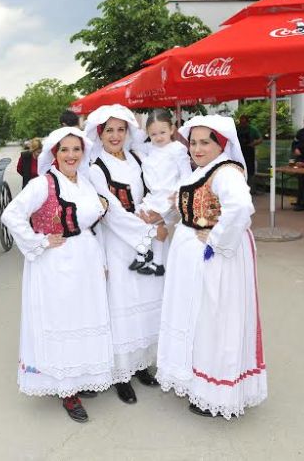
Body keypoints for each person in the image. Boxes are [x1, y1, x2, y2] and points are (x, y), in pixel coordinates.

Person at [0, 127, 114, 423]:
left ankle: (77, 376)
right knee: (62, 320)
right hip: (56, 264)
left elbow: (92, 225)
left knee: (83, 317)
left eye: (76, 149)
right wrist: (40, 241)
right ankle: (66, 389)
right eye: (65, 150)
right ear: (54, 153)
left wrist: (100, 259)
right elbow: (11, 214)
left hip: (85, 259)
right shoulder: (43, 184)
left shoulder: (86, 183)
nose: (71, 155)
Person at [156, 115, 267, 419]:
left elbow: (241, 209)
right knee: (197, 316)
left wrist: (216, 238)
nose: (197, 148)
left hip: (217, 257)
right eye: (193, 142)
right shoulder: (202, 171)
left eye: (206, 142)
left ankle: (218, 389)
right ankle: (198, 380)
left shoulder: (226, 172)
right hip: (193, 251)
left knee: (216, 317)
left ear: (221, 144)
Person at [85, 104, 167, 405]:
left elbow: (155, 190)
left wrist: (159, 216)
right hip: (119, 242)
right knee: (122, 301)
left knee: (147, 299)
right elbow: (111, 213)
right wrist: (147, 231)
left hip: (147, 236)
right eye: (110, 130)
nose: (116, 135)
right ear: (100, 134)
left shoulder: (137, 158)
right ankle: (122, 374)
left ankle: (143, 363)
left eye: (121, 129)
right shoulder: (96, 168)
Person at [129, 110, 192, 276]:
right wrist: (143, 131)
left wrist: (178, 193)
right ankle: (155, 261)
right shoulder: (150, 147)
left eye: (162, 132)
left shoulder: (177, 149)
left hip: (169, 197)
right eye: (153, 133)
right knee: (143, 219)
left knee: (156, 225)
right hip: (153, 195)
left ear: (172, 129)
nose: (158, 137)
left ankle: (147, 256)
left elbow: (186, 175)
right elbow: (133, 145)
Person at [236, 114, 262, 187]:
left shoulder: (253, 129)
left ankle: (250, 188)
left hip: (249, 152)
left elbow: (260, 139)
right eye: (241, 123)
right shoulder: (237, 129)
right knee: (239, 169)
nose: (242, 124)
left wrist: (253, 143)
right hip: (239, 152)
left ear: (247, 122)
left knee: (250, 171)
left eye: (244, 123)